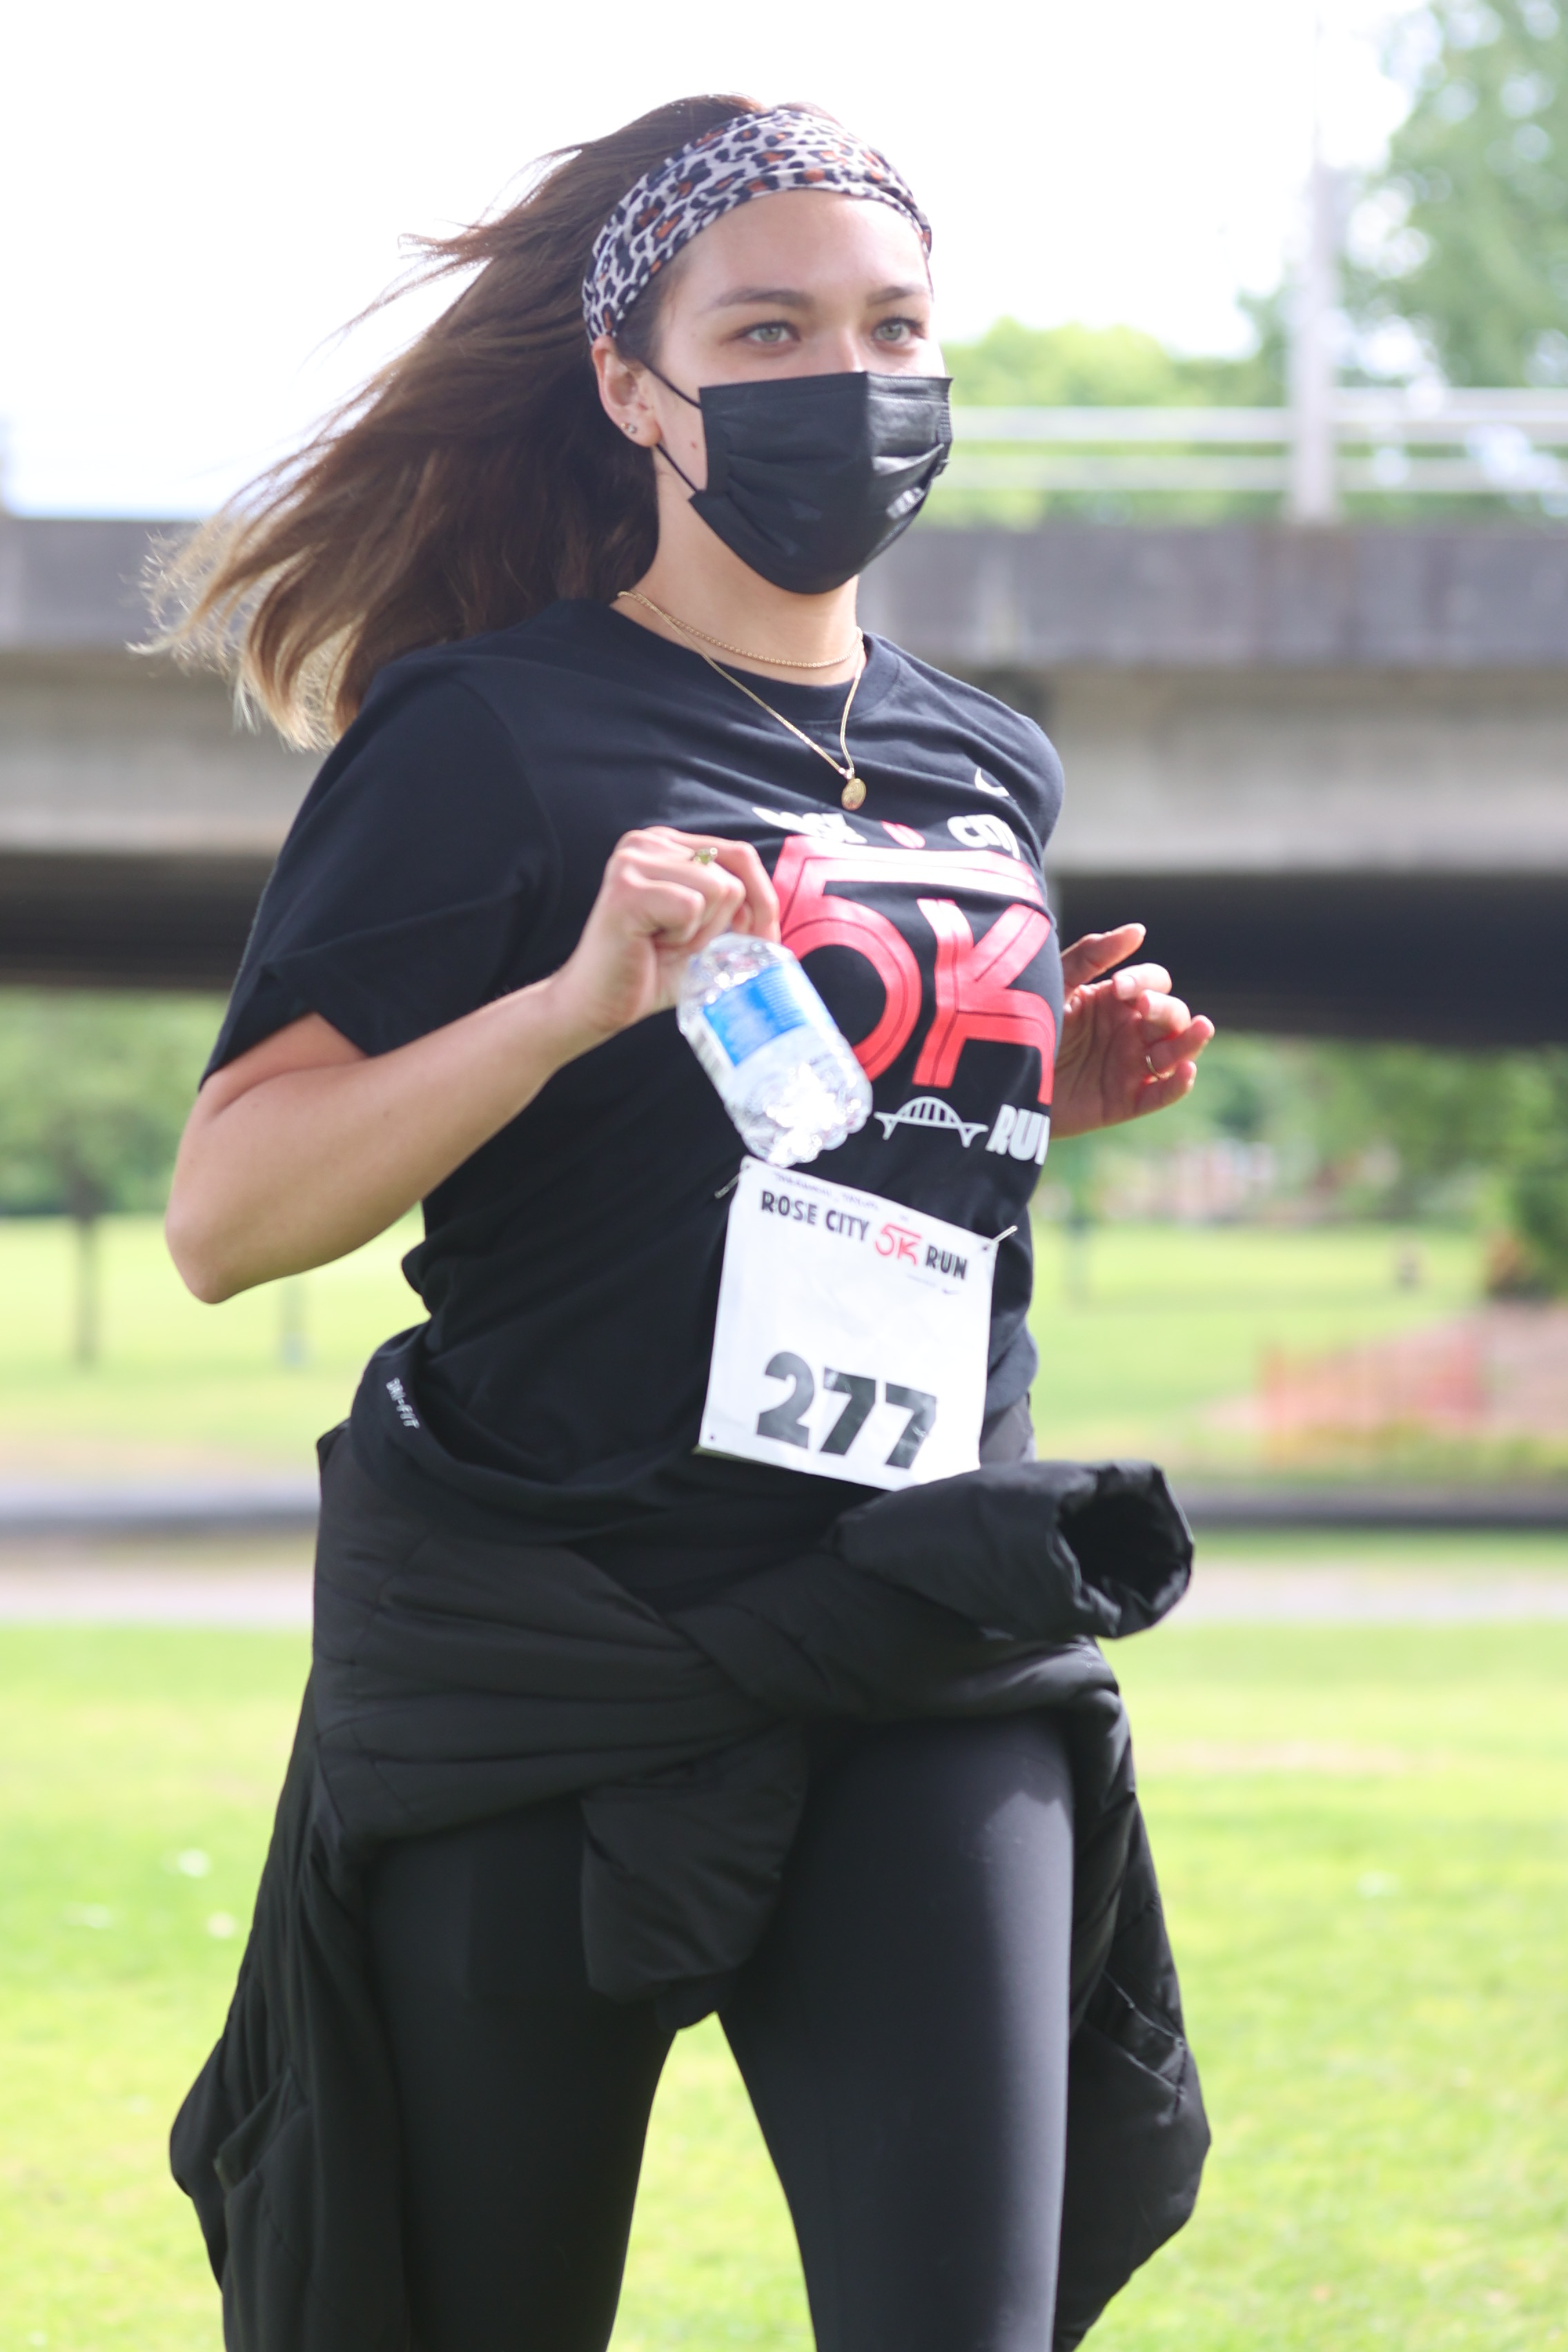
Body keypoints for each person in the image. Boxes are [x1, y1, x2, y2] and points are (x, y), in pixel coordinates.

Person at [161, 95, 1216, 2352]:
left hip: (913, 1624)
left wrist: (1041, 1090)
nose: (850, 377)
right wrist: (565, 1005)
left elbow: (804, 1145)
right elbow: (228, 1213)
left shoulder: (984, 766)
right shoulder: (485, 736)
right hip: (559, 1650)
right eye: (770, 331)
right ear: (633, 389)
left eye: (895, 327)